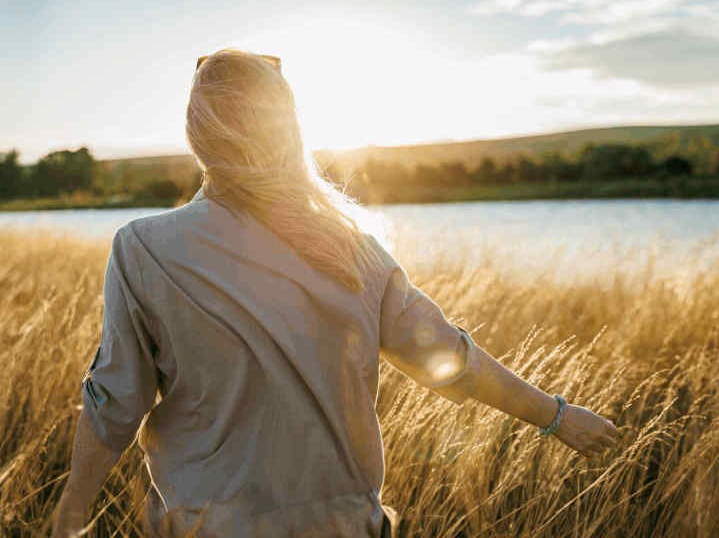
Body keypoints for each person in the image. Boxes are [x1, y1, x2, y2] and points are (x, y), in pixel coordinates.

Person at [48, 49, 621, 537]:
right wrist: (557, 417)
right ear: (291, 135)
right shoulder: (353, 249)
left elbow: (115, 398)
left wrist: (72, 510)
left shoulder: (144, 249)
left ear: (197, 137)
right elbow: (449, 359)